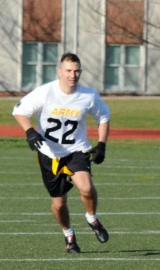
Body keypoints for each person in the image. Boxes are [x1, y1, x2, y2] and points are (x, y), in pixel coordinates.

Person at [12, 52, 110, 253]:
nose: (72, 75)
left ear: (80, 72)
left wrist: (101, 144)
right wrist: (30, 131)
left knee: (86, 188)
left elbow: (103, 117)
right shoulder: (45, 92)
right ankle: (69, 235)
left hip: (77, 150)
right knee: (58, 203)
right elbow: (19, 111)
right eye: (68, 71)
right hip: (50, 153)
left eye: (76, 71)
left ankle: (92, 218)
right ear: (59, 72)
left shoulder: (88, 95)